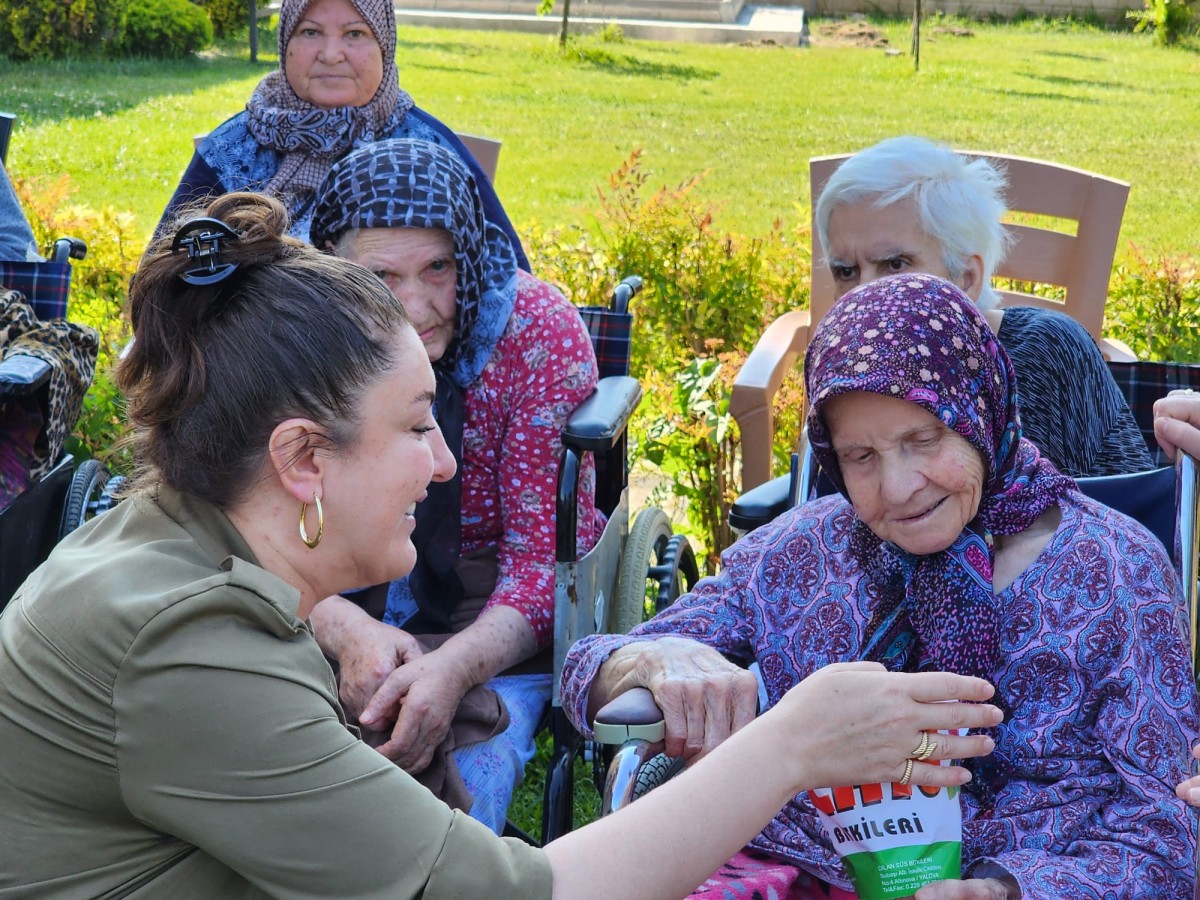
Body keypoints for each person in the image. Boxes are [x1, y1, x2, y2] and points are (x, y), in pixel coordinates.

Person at [0, 193, 1005, 898]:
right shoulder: (181, 644)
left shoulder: (178, 557)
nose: (443, 464)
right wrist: (795, 744)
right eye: (413, 427)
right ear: (304, 458)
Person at [561, 273, 1198, 898]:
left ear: (982, 413)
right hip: (795, 864)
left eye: (924, 439)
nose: (897, 487)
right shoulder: (808, 548)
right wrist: (651, 658)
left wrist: (1007, 888)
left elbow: (1168, 829)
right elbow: (586, 671)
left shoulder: (1115, 572)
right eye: (860, 457)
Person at [303, 137, 599, 832]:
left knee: (462, 800)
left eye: (438, 268)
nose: (415, 305)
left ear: (468, 252)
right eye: (382, 277)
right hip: (320, 592)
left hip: (483, 617)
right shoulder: (299, 334)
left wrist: (451, 671)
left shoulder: (537, 334)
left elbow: (542, 564)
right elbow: (248, 528)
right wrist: (345, 631)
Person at [814, 135, 1152, 478]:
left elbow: (1133, 505)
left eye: (896, 264)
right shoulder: (845, 373)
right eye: (846, 271)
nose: (865, 294)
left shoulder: (1045, 352)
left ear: (966, 277)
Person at [157, 0, 527, 267]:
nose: (331, 54)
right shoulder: (234, 147)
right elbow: (163, 270)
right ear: (286, 44)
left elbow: (507, 278)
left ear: (385, 46)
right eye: (311, 32)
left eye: (354, 33)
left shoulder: (428, 150)